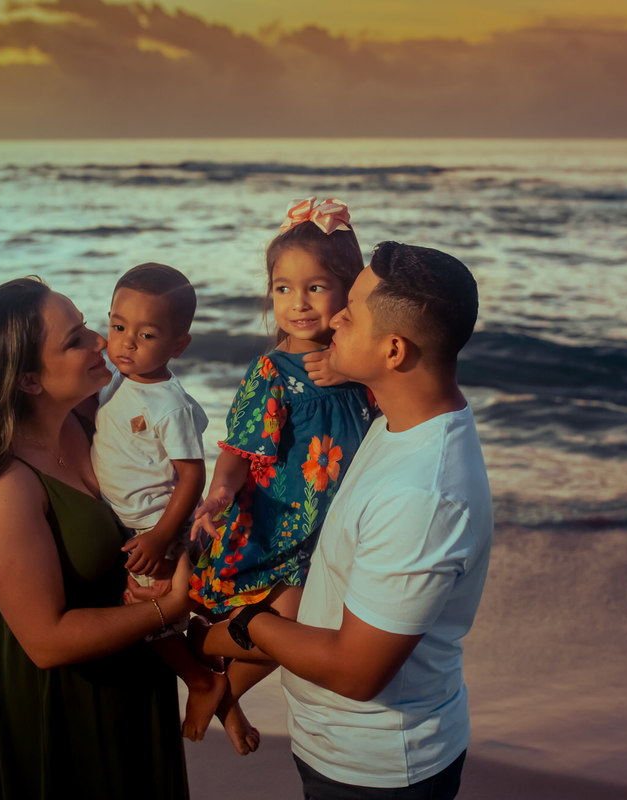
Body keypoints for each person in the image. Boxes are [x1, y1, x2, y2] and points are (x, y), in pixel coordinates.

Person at [198, 242, 493, 799]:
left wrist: (245, 624)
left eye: (349, 313)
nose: (331, 316)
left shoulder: (423, 497)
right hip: (338, 748)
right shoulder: (395, 417)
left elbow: (357, 674)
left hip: (377, 768)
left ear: (394, 350)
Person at [0, 277, 190, 799]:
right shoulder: (0, 488)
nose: (100, 342)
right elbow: (45, 642)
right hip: (67, 697)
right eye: (74, 339)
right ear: (28, 380)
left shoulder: (94, 417)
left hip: (135, 668)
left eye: (89, 325)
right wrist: (168, 609)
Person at [187, 197, 377, 755]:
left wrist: (346, 364)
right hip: (279, 521)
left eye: (316, 287)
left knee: (314, 629)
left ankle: (220, 689)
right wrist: (221, 487)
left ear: (351, 290)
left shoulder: (361, 366)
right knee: (292, 623)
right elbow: (240, 447)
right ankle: (213, 674)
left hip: (337, 531)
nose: (297, 303)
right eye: (283, 289)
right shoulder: (274, 370)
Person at [90, 262, 227, 743]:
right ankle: (217, 683)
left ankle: (202, 681)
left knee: (148, 615)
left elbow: (193, 475)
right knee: (166, 610)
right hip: (134, 523)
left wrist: (165, 536)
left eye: (145, 335)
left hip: (153, 523)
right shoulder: (120, 380)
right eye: (117, 326)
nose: (125, 343)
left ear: (178, 345)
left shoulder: (167, 403)